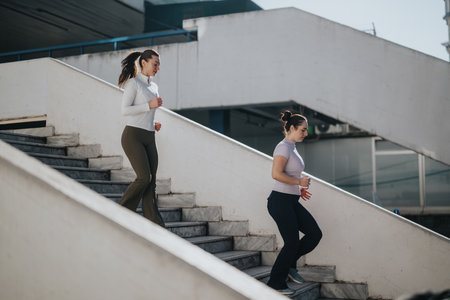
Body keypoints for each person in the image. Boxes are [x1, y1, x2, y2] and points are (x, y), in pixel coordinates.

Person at [266, 110, 322, 295]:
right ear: (291, 128)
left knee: (314, 234)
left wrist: (298, 189)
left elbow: (289, 174)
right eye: (303, 130)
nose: (306, 134)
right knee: (291, 242)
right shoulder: (283, 147)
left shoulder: (292, 147)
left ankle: (289, 265)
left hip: (290, 200)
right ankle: (275, 282)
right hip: (279, 202)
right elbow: (276, 174)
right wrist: (298, 182)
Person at [117, 49, 165, 227]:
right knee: (144, 177)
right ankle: (120, 212)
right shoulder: (133, 83)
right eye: (155, 64)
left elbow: (146, 113)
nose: (157, 68)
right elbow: (125, 110)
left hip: (149, 136)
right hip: (133, 136)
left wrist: (153, 124)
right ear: (144, 62)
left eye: (159, 65)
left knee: (151, 183)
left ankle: (155, 224)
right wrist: (149, 105)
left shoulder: (154, 86)